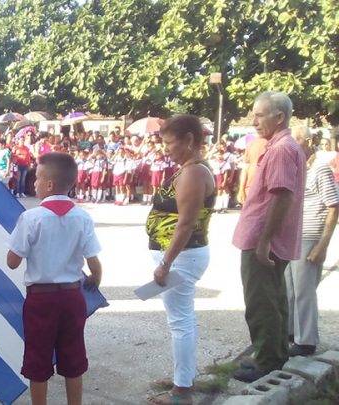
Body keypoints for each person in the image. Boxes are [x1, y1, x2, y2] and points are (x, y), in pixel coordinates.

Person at [7, 152, 102, 405]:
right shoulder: (83, 217)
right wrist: (96, 278)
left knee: (38, 358)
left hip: (41, 300)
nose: (34, 183)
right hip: (72, 297)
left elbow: (12, 261)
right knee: (73, 358)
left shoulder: (31, 218)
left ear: (49, 185)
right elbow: (94, 262)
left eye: (37, 178)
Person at [232, 91, 306, 383]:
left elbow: (281, 196)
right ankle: (275, 354)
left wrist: (264, 241)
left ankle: (267, 360)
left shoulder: (280, 149)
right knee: (274, 299)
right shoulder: (283, 146)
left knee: (261, 301)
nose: (254, 120)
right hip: (269, 238)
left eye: (260, 114)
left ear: (280, 117)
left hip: (264, 240)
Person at [145, 115, 216, 405]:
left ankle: (182, 391)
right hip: (181, 257)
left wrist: (165, 264)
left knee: (181, 322)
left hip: (182, 258)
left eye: (170, 143)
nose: (167, 149)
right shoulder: (188, 169)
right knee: (181, 320)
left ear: (189, 140)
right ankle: (182, 377)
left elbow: (185, 224)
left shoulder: (193, 173)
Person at [285, 127, 339, 356]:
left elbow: (333, 207)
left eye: (296, 141)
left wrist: (322, 245)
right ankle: (289, 333)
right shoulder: (298, 168)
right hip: (292, 237)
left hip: (309, 237)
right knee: (288, 288)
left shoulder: (321, 169)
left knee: (304, 290)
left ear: (308, 141)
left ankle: (306, 340)